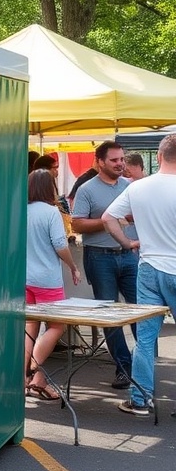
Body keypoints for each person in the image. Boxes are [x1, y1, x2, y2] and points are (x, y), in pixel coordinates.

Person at [102, 134, 176, 416]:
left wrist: (128, 243)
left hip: (149, 268)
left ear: (158, 157)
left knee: (144, 339)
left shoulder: (138, 187)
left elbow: (109, 217)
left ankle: (140, 399)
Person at [71, 141, 138, 390]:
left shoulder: (130, 187)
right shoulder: (87, 189)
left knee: (140, 312)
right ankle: (124, 367)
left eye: (122, 159)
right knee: (108, 315)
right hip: (99, 256)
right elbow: (77, 224)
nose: (120, 163)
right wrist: (109, 221)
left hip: (129, 255)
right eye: (114, 160)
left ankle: (142, 368)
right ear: (100, 162)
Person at [24, 170, 81, 400]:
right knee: (57, 327)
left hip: (24, 278)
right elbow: (60, 245)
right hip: (48, 280)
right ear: (51, 188)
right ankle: (34, 369)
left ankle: (28, 380)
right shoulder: (51, 212)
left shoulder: (20, 211)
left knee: (29, 329)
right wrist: (73, 266)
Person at [32, 154, 73, 239]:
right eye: (55, 167)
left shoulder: (50, 183)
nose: (56, 171)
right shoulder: (42, 187)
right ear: (45, 169)